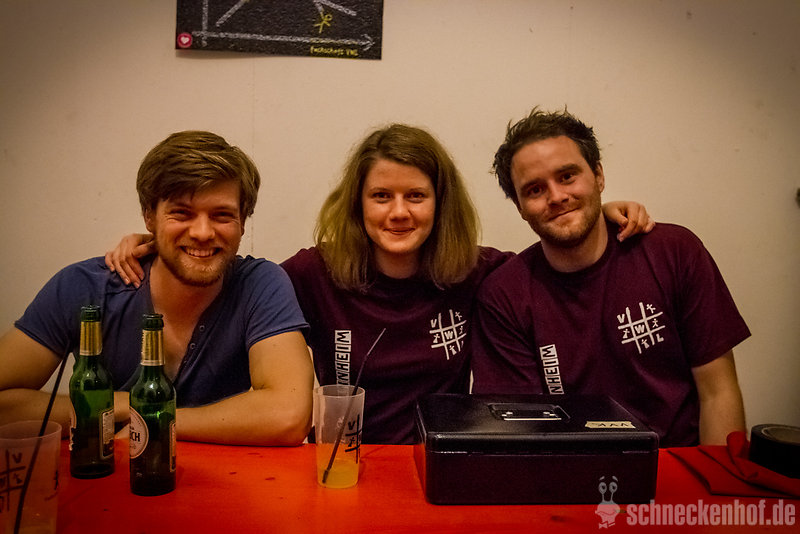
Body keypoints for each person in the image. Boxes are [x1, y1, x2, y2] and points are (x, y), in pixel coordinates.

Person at [106, 124, 653, 444]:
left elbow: (554, 259)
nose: (398, 212)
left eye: (415, 196)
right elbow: (227, 276)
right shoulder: (311, 273)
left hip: (433, 462)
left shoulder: (477, 272)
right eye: (381, 196)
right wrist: (160, 242)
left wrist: (598, 219)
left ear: (440, 205)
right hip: (336, 462)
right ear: (358, 204)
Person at [0, 131, 314, 446]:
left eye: (222, 215)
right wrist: (116, 404)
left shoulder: (259, 284)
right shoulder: (84, 287)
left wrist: (148, 414)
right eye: (181, 213)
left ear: (243, 222)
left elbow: (288, 415)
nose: (202, 232)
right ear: (149, 217)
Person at [471, 107, 749, 447]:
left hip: (679, 465)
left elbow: (718, 392)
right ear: (519, 206)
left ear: (598, 176)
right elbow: (520, 432)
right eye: (534, 190)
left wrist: (718, 479)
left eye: (567, 176)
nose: (557, 197)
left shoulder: (674, 252)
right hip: (570, 470)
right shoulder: (504, 296)